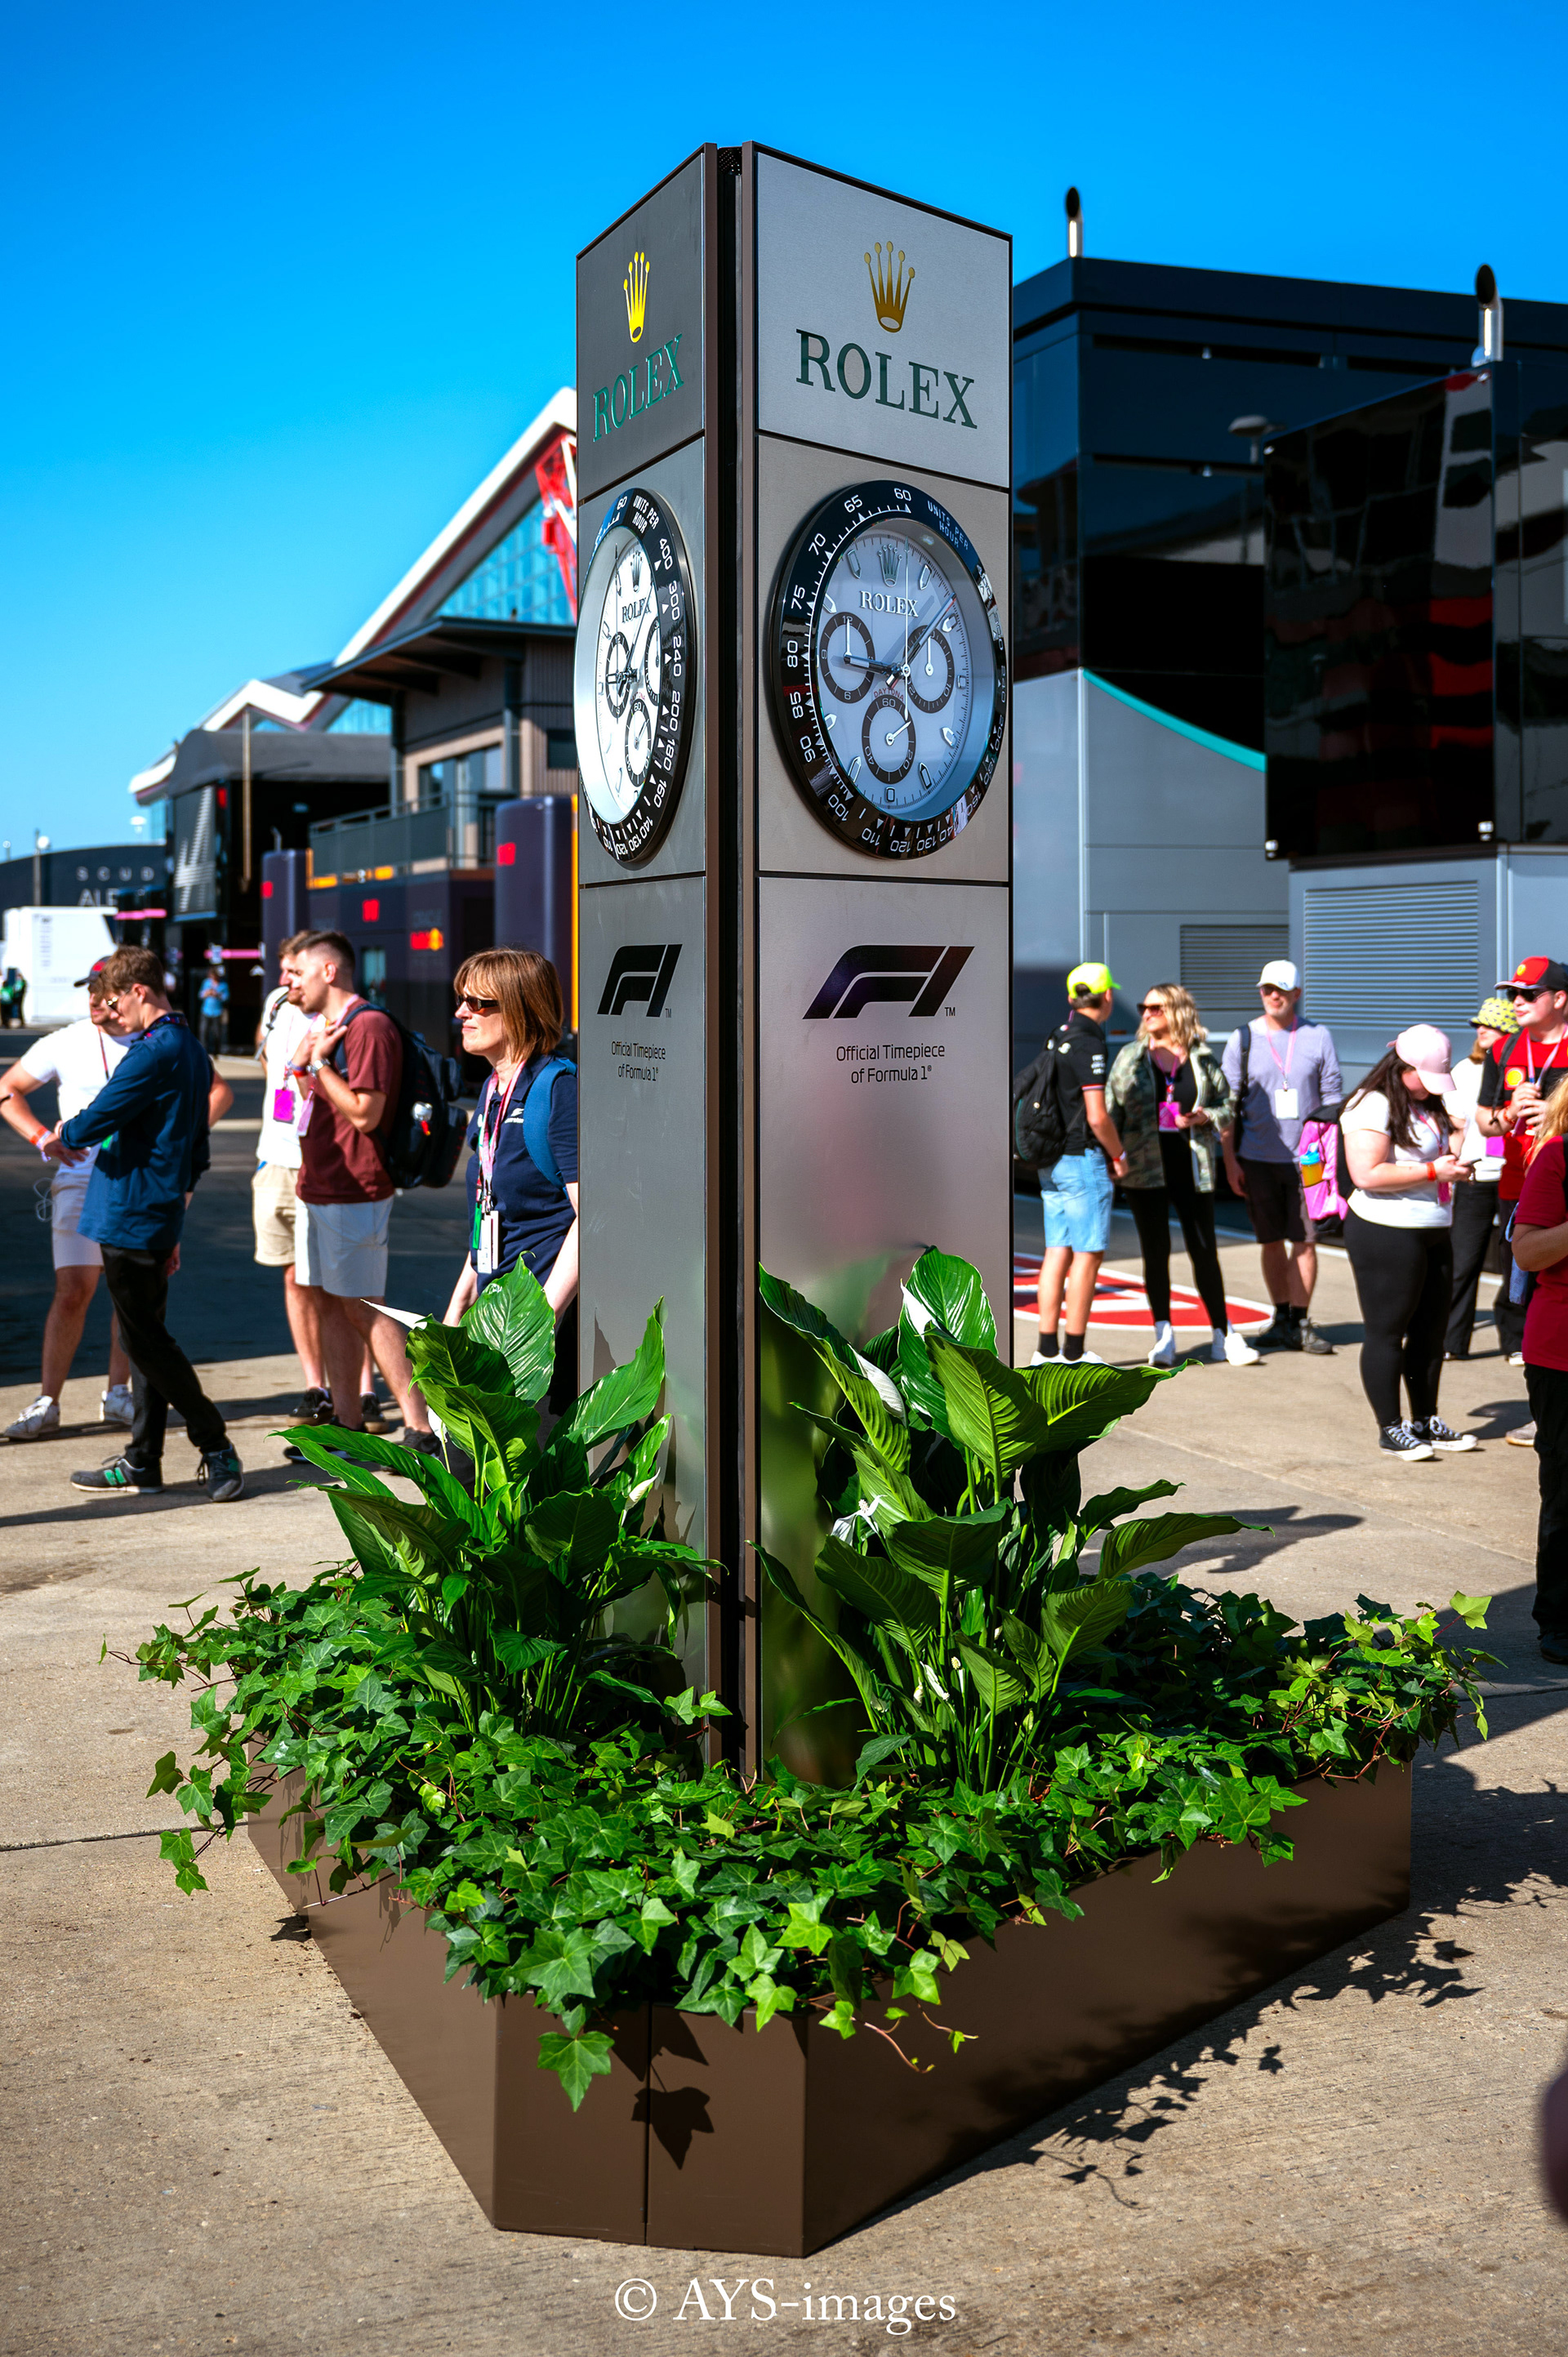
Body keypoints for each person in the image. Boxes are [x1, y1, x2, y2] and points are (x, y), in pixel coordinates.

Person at [37, 946, 244, 1500]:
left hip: (131, 1209)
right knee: (143, 1336)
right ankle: (142, 1461)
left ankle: (215, 1444)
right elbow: (197, 1146)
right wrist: (176, 1216)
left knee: (146, 1341)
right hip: (153, 1209)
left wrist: (61, 1136)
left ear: (139, 991)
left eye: (114, 1001)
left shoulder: (154, 1050)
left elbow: (104, 1111)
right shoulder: (191, 1049)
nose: (111, 1013)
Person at [286, 931, 435, 1451]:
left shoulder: (367, 1026)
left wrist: (318, 1064)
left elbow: (365, 1113)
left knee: (365, 1306)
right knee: (332, 1305)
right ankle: (348, 1426)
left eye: (298, 972)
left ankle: (420, 1429)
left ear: (329, 972)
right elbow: (312, 1102)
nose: (289, 981)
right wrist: (304, 1065)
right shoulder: (325, 1028)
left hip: (357, 1190)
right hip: (320, 1186)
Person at [2, 959, 136, 1437]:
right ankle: (48, 1400)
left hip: (136, 1180)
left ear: (129, 992)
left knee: (127, 1292)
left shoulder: (155, 1040)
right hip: (79, 1178)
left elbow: (215, 1092)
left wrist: (178, 1145)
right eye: (90, 989)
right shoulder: (68, 1040)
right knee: (73, 1290)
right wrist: (43, 1138)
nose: (95, 998)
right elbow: (8, 1089)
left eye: (105, 989)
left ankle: (118, 1394)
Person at [441, 950, 580, 1409]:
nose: (461, 1013)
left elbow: (592, 1218)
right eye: (460, 1000)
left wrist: (542, 1319)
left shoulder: (557, 1090)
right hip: (494, 1316)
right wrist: (457, 1311)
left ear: (521, 1008)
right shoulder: (492, 1089)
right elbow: (490, 1210)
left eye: (477, 1003)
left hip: (539, 1330)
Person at [1340, 1026, 1475, 1463]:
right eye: (1425, 1078)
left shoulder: (1426, 1102)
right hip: (1385, 1230)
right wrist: (1435, 1172)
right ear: (1404, 1067)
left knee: (1431, 1331)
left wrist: (1460, 1146)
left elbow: (1439, 1151)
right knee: (1387, 1330)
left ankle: (1425, 1420)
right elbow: (1366, 1174)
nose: (1431, 1087)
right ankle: (1390, 1428)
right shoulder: (1372, 1103)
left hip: (1434, 1226)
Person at [1107, 984, 1259, 1370]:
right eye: (1143, 1007)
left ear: (1176, 1010)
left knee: (1204, 1249)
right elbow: (1111, 1110)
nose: (1146, 1013)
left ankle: (1223, 1334)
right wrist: (1113, 1157)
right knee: (1155, 1252)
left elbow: (1227, 1104)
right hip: (1145, 1168)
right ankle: (1164, 1336)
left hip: (1193, 1166)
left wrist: (1205, 1116)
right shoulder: (1131, 1056)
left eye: (1155, 1007)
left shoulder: (1200, 1057)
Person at [1221, 960, 1342, 1356]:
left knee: (1306, 1241)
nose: (1274, 996)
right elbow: (1227, 1107)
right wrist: (1230, 1162)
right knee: (1271, 1241)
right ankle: (1281, 1318)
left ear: (1297, 994)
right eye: (1267, 989)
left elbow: (1333, 1098)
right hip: (1257, 1158)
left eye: (1282, 990)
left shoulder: (1317, 1036)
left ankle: (1301, 1322)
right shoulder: (1243, 1039)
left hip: (1310, 1160)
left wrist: (1330, 1160)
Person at [1031, 964, 1128, 1368]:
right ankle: (1073, 1352)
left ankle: (1045, 1350)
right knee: (1088, 1255)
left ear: (1073, 998)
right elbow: (1097, 1116)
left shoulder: (1059, 1034)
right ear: (1107, 997)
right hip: (1081, 1161)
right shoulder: (1090, 1043)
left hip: (1051, 1160)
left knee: (1057, 1251)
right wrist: (1119, 1155)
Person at [1476, 956, 1568, 1366]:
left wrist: (1558, 1115)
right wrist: (1511, 1111)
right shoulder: (1504, 1047)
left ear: (1560, 999)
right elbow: (1485, 1122)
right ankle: (1521, 1345)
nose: (1517, 1001)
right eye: (1513, 993)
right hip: (1517, 1181)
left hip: (1562, 1181)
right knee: (1518, 1269)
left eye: (1529, 994)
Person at [1504, 1082, 1568, 1662]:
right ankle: (1560, 1620)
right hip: (1561, 1354)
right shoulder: (1558, 1156)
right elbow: (1526, 1252)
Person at [1446, 996, 1518, 1362]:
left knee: (1515, 1262)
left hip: (1513, 1175)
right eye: (1479, 1024)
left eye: (1492, 1025)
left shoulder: (1521, 1067)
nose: (1482, 1030)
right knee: (1464, 1261)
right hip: (1474, 1176)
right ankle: (1452, 1342)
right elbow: (1456, 1124)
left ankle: (1515, 1342)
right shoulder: (1464, 1069)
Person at [198, 962, 228, 1056]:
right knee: (204, 1031)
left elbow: (226, 998)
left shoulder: (223, 985)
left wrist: (217, 994)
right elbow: (200, 995)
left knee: (216, 1033)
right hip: (206, 1011)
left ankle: (216, 1051)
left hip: (217, 1012)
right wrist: (207, 993)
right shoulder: (206, 983)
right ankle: (204, 1051)